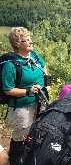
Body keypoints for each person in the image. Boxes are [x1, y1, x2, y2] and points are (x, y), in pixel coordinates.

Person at [2, 27, 50, 164]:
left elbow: (44, 66)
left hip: (40, 101)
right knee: (22, 134)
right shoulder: (10, 65)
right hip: (22, 106)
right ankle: (15, 158)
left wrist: (47, 83)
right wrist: (28, 91)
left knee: (38, 130)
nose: (30, 42)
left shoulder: (34, 55)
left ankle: (31, 156)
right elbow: (8, 90)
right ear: (17, 43)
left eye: (30, 38)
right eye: (26, 40)